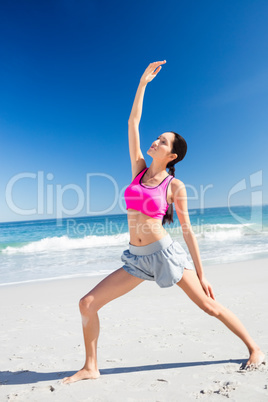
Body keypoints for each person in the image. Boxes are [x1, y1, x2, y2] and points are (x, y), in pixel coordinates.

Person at [62, 60, 265, 384]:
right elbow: (133, 122)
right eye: (157, 138)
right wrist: (143, 84)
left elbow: (187, 231)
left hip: (166, 255)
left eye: (163, 141)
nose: (155, 141)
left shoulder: (174, 186)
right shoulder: (139, 169)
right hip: (135, 259)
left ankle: (255, 347)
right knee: (87, 303)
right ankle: (91, 366)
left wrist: (201, 272)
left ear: (172, 156)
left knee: (210, 307)